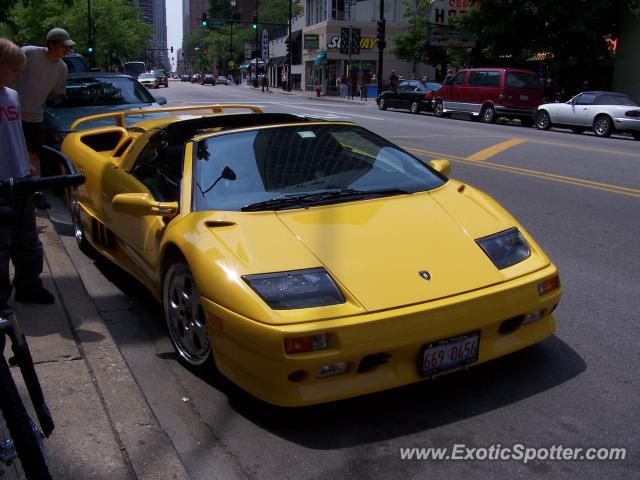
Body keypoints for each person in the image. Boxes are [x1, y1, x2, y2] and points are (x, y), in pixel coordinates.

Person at [0, 38, 55, 308]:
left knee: (28, 239)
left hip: (20, 178)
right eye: (13, 70)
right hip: (0, 184)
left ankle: (29, 285)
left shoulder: (11, 96)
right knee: (2, 244)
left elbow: (15, 133)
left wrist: (26, 162)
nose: (18, 75)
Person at [14, 27, 73, 211]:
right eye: (64, 46)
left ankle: (36, 191)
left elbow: (53, 94)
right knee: (13, 151)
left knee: (33, 153)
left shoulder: (62, 68)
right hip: (12, 113)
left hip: (35, 116)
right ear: (51, 44)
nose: (67, 50)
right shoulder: (29, 53)